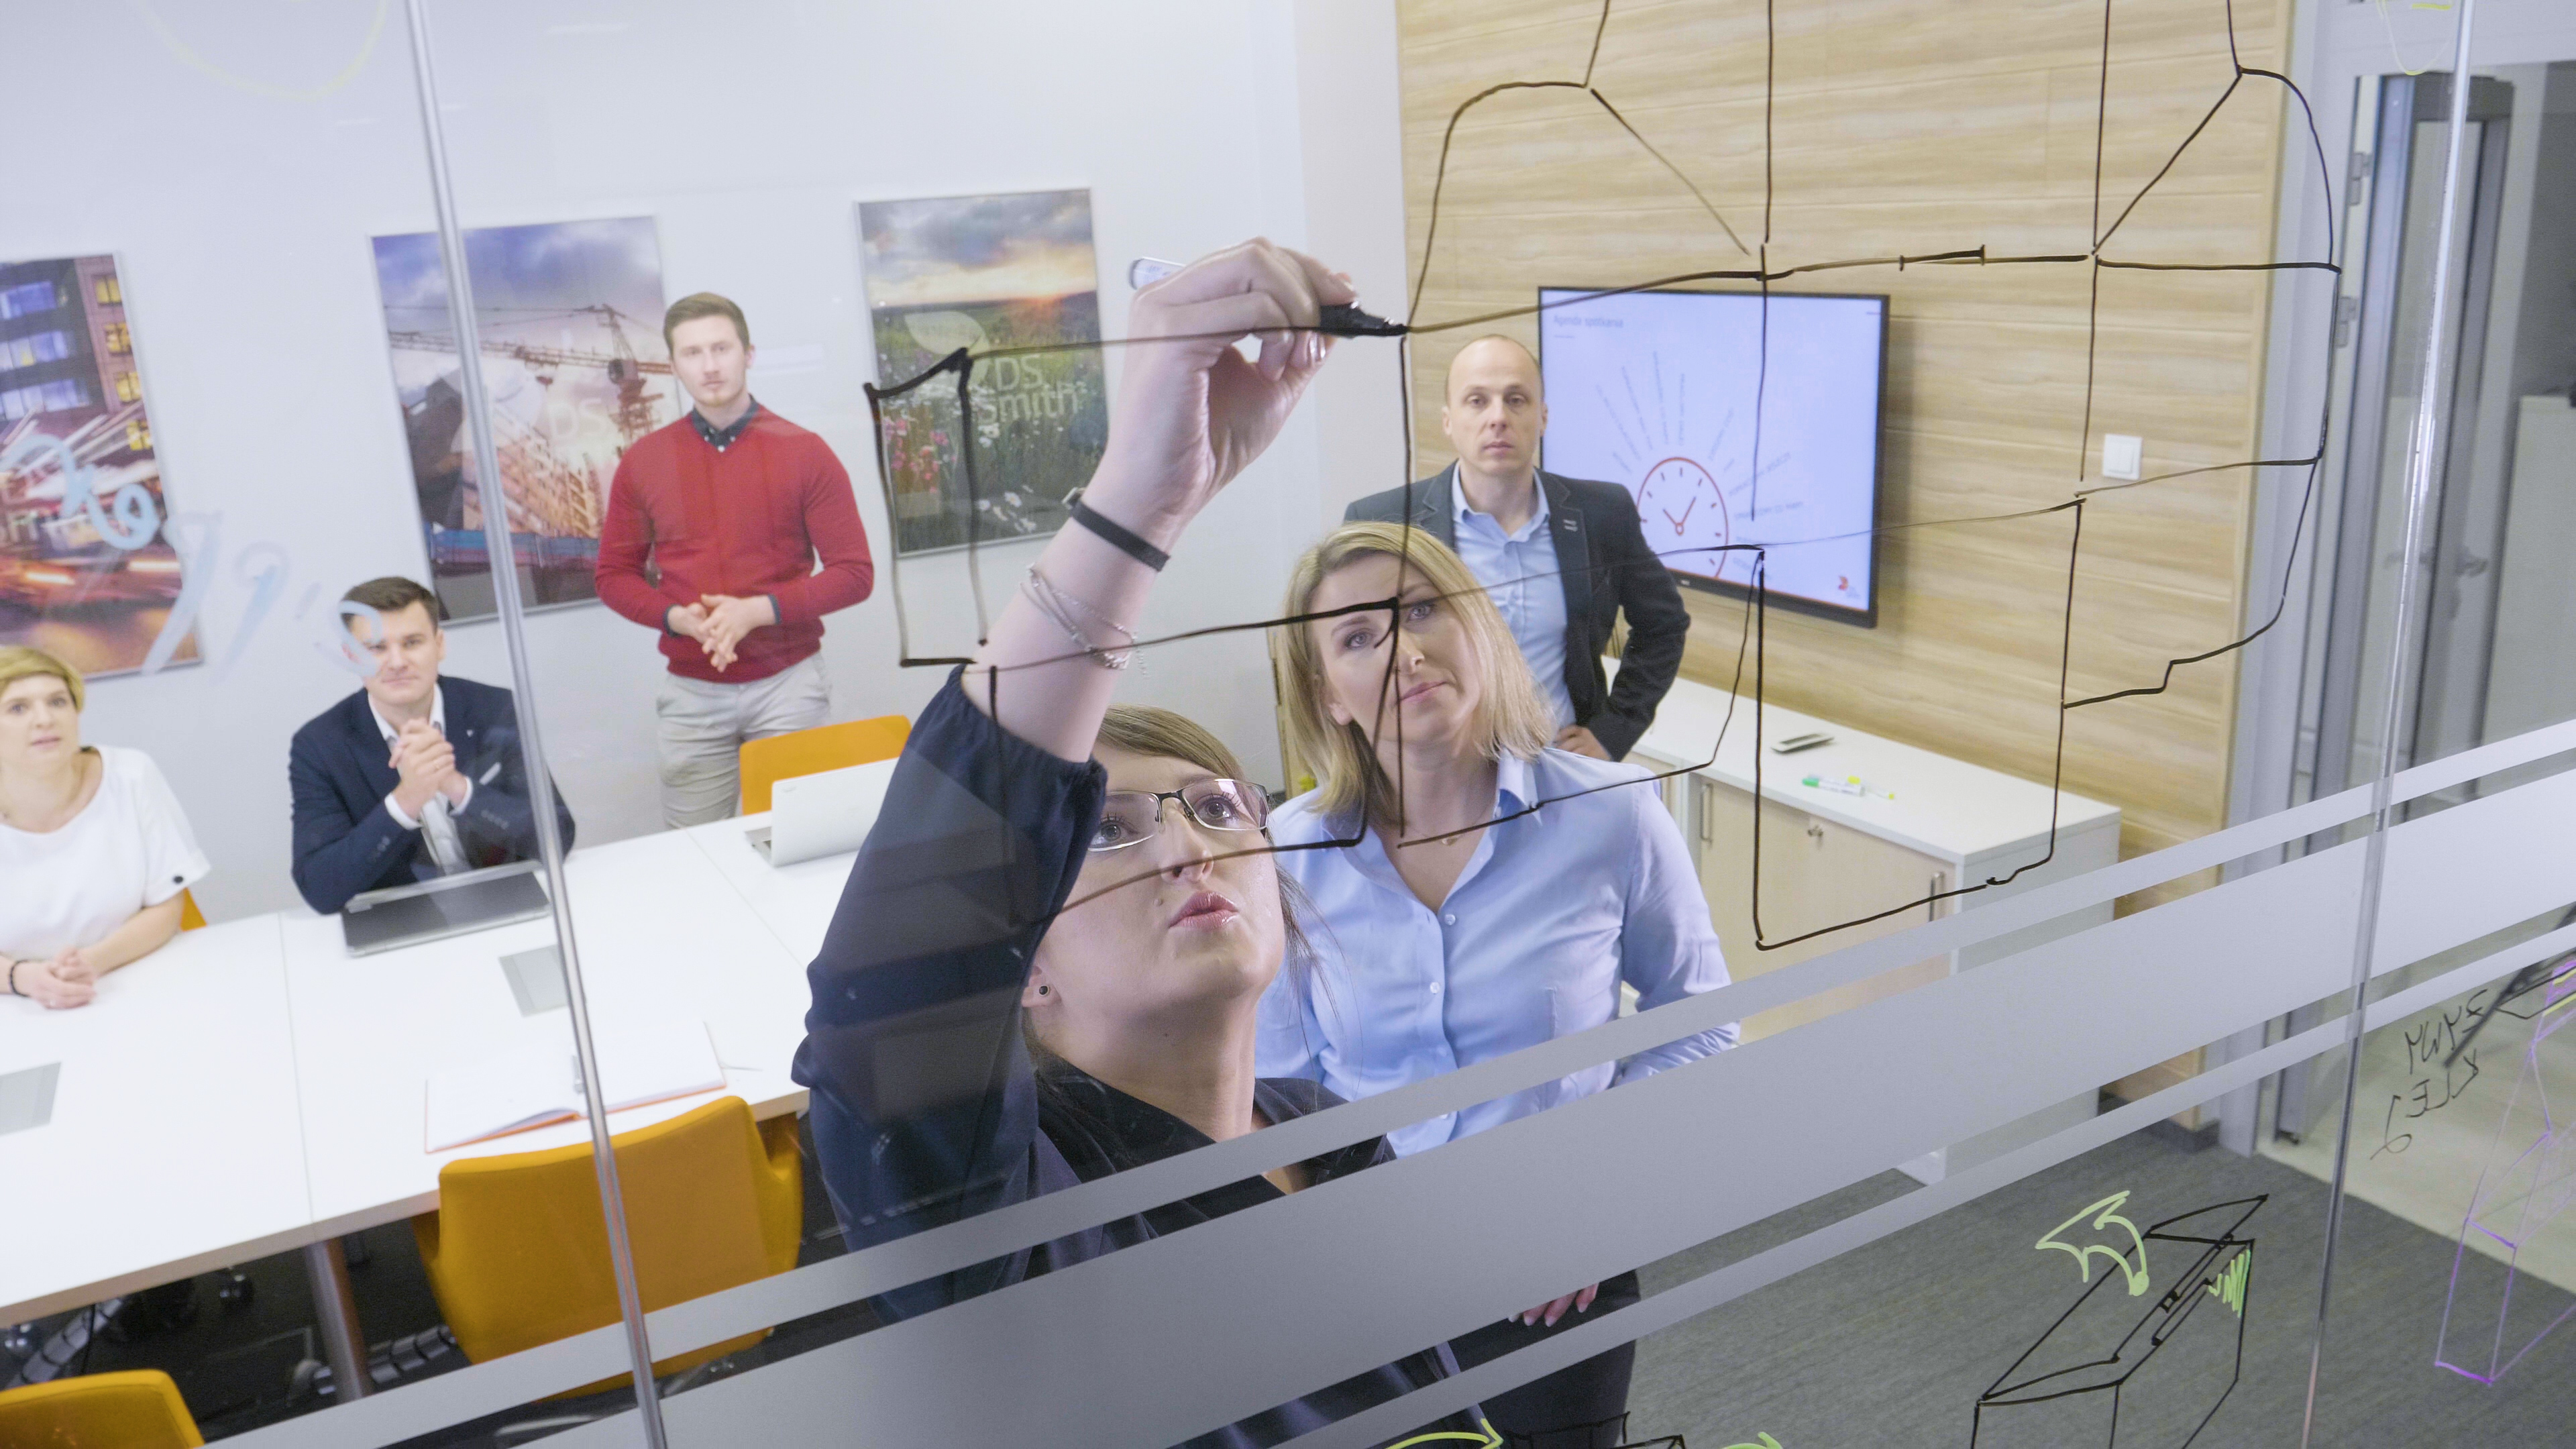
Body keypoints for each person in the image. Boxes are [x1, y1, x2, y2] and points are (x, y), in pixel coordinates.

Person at [791, 241, 1491, 1448]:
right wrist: (1138, 508)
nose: (1187, 848)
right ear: (1022, 960)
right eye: (1110, 832)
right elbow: (896, 996)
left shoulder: (1326, 1133)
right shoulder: (1020, 1214)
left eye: (1216, 807)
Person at [1258, 521, 1737, 1448]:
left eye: (1421, 610)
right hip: (1366, 1274)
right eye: (1358, 637)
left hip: (1555, 1266)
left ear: (1476, 626)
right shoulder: (1286, 855)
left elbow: (1700, 1025)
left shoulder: (1611, 812)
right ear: (1328, 695)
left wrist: (1592, 1199)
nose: (1404, 650)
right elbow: (1276, 1086)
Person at [595, 292, 875, 827]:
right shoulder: (644, 462)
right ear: (674, 365)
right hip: (692, 693)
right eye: (693, 353)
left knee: (802, 841)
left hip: (789, 686)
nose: (709, 366)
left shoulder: (805, 451)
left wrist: (756, 612)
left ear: (748, 353)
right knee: (696, 852)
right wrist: (677, 618)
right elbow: (613, 576)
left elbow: (854, 574)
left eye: (721, 348)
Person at [1343, 335, 1688, 762]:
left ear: (1543, 417)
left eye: (1516, 400)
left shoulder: (1602, 513)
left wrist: (1613, 731)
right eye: (1477, 401)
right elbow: (1353, 656)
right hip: (1440, 772)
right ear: (1448, 421)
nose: (1498, 418)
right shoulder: (1385, 523)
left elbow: (1663, 625)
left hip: (1561, 769)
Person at [288, 576, 576, 916]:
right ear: (351, 657)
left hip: (509, 903)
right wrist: (405, 801)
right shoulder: (320, 745)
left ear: (439, 645)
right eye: (376, 648)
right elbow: (320, 889)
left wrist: (457, 787)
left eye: (412, 642)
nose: (397, 662)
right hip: (403, 919)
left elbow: (558, 837)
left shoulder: (496, 709)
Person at [0, 647, 209, 1009]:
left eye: (58, 702)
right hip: (18, 1005)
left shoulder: (130, 775)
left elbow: (167, 907)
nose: (45, 719)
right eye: (18, 708)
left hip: (137, 979)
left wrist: (90, 964)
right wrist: (24, 978)